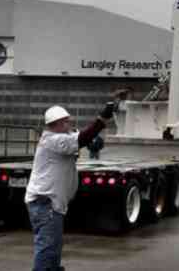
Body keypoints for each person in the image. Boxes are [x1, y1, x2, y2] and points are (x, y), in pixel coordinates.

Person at [25, 102, 115, 271]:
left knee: (53, 247)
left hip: (49, 204)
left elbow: (80, 138)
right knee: (47, 248)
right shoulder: (53, 140)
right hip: (46, 203)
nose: (69, 124)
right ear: (57, 123)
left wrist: (90, 137)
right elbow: (82, 138)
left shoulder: (58, 138)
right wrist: (102, 119)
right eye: (66, 121)